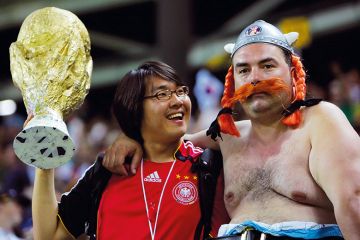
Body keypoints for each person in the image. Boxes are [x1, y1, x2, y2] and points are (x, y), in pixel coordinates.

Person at [103, 20, 360, 239]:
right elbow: (164, 141)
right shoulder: (228, 137)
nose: (255, 78)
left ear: (294, 73)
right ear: (232, 82)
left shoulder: (320, 120)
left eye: (267, 66)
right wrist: (131, 138)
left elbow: (354, 202)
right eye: (244, 70)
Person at [30, 61, 229, 240]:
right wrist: (44, 163)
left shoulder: (208, 167)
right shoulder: (107, 171)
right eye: (162, 94)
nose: (178, 101)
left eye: (181, 91)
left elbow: (252, 133)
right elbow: (49, 235)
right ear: (134, 108)